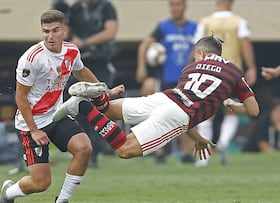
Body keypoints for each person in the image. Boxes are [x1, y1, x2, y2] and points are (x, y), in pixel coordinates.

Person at [53, 35, 259, 163]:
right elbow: (253, 110)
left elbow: (184, 103)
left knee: (107, 110)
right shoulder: (233, 71)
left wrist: (198, 139)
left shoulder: (191, 68)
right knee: (124, 150)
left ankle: (97, 96)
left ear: (201, 53)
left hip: (164, 98)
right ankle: (82, 106)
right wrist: (234, 105)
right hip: (177, 114)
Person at [0, 10, 123, 203]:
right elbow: (20, 97)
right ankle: (8, 193)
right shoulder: (31, 59)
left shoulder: (72, 51)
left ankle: (62, 200)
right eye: (46, 31)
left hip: (56, 115)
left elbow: (81, 72)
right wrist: (34, 130)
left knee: (84, 149)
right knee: (41, 183)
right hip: (31, 124)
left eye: (55, 30)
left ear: (64, 30)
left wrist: (105, 91)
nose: (50, 36)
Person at [192, 0, 258, 166]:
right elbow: (245, 44)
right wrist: (251, 67)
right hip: (231, 72)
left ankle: (204, 158)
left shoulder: (205, 22)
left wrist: (192, 67)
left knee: (206, 113)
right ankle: (223, 142)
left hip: (209, 72)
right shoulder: (239, 21)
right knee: (231, 111)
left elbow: (197, 46)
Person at [136, 0, 197, 164]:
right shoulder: (162, 27)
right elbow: (144, 45)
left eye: (178, 4)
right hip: (166, 79)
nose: (175, 8)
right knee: (160, 115)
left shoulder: (195, 28)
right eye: (172, 5)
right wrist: (142, 68)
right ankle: (159, 152)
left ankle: (185, 153)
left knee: (186, 116)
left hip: (186, 80)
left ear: (184, 6)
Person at [66, 0, 118, 168]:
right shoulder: (75, 9)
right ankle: (81, 150)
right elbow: (68, 29)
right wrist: (71, 37)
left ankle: (95, 153)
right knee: (78, 108)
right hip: (80, 63)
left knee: (98, 109)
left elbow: (110, 32)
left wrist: (86, 42)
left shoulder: (106, 7)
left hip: (100, 62)